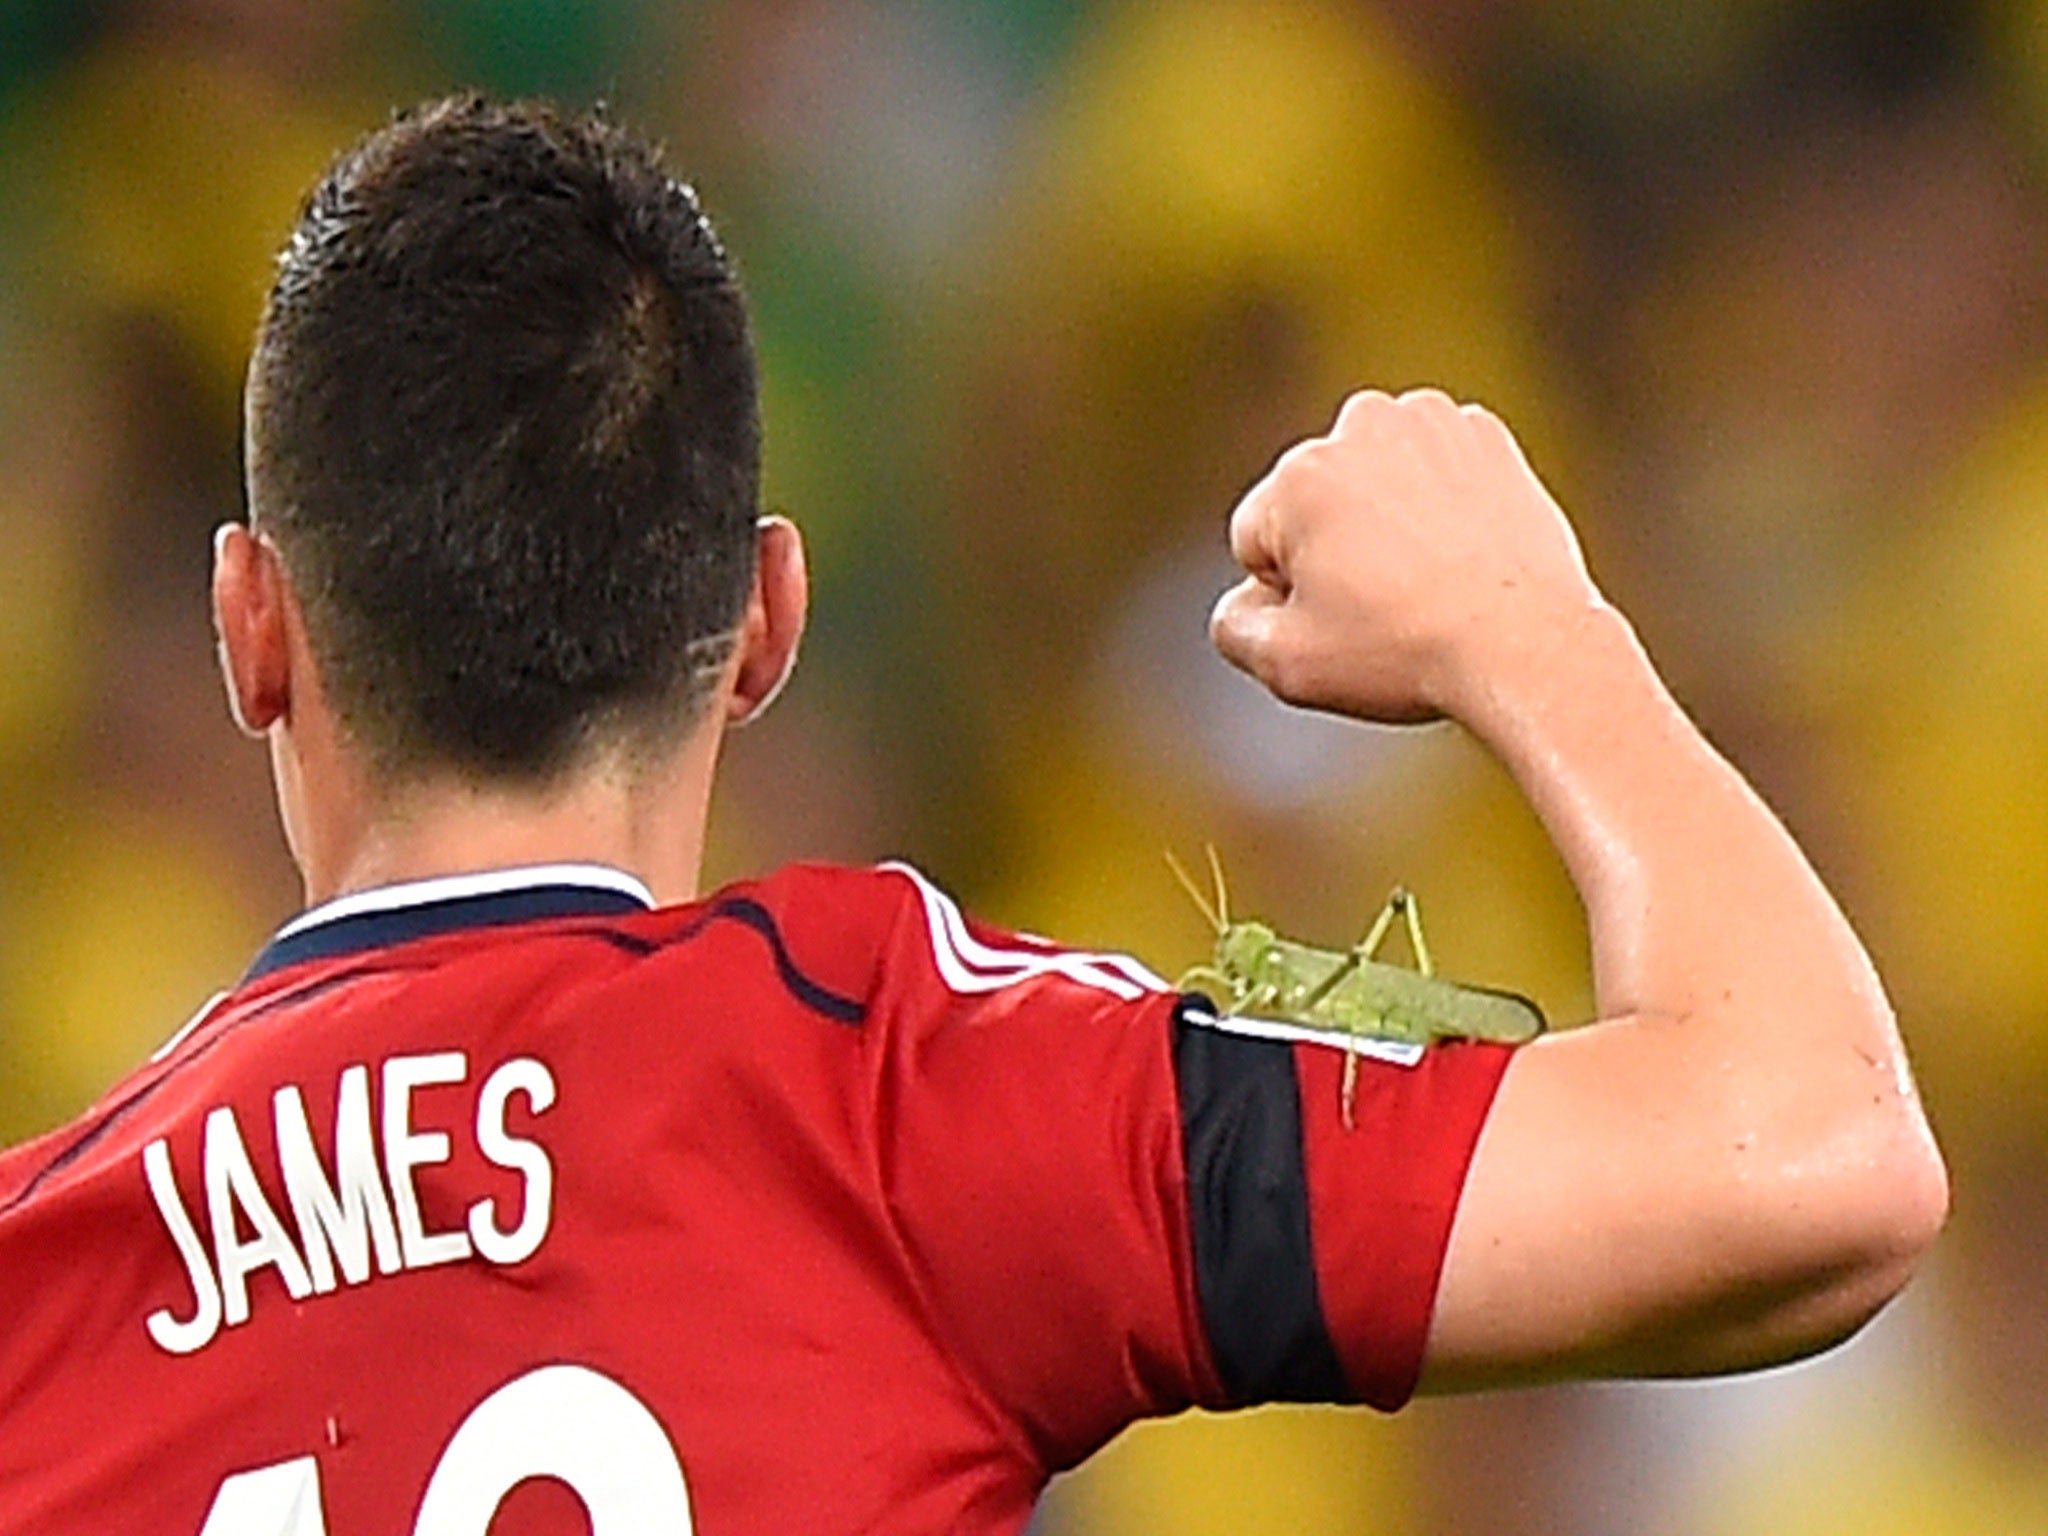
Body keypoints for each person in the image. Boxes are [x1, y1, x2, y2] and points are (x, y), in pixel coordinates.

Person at [0, 96, 1945, 1535]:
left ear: (252, 629)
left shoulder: (33, 1285)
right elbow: (1816, 1161)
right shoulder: (891, 1092)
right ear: (762, 624)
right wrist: (1532, 626)